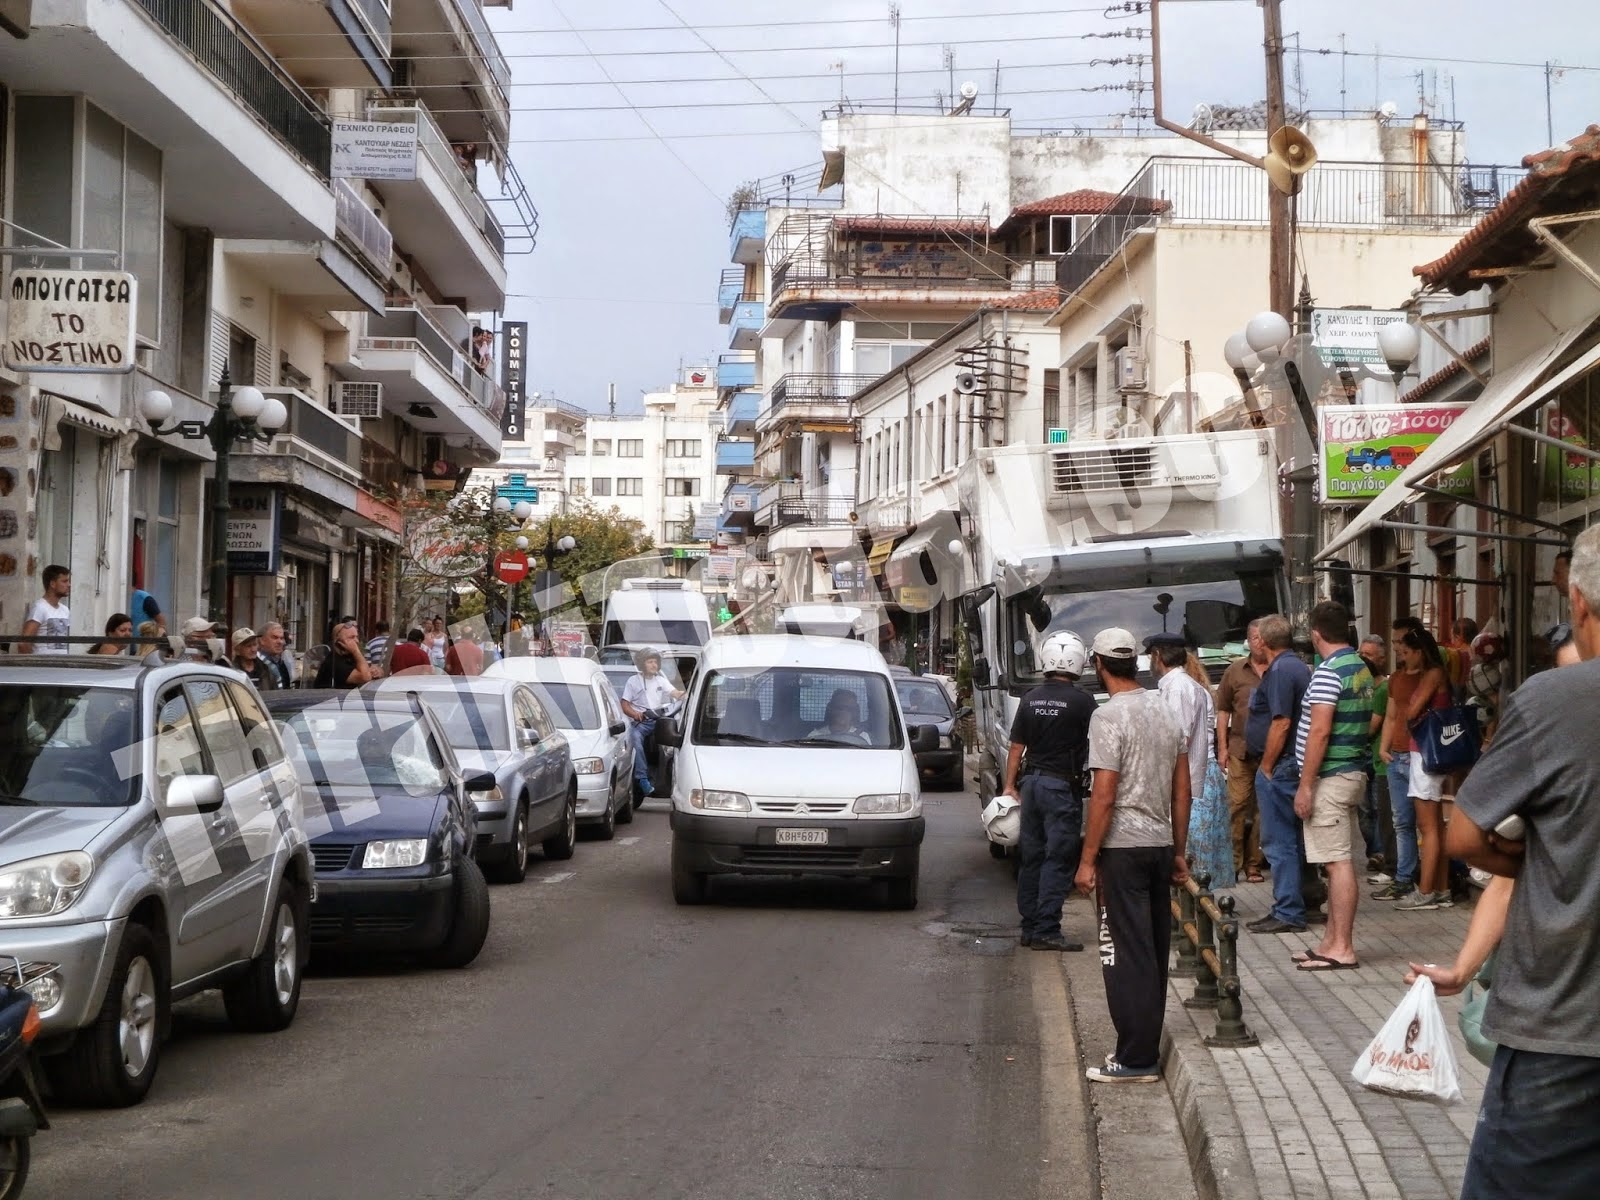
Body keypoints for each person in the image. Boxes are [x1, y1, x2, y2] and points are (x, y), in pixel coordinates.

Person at [1440, 523, 1600, 1198]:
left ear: (1579, 604)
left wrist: (1536, 859)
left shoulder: (1556, 700)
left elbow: (1465, 836)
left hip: (1567, 1027)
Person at [1075, 627, 1188, 1084]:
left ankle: (1135, 1057)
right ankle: (1143, 1047)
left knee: (1123, 953)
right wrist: (1179, 851)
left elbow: (1103, 794)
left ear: (1098, 664)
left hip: (1122, 849)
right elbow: (1183, 791)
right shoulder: (1165, 709)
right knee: (1154, 950)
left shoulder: (1107, 717)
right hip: (1159, 845)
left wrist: (1087, 859)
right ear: (1136, 663)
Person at [1287, 601, 1373, 971]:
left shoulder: (1328, 672)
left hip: (1331, 777)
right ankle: (1329, 942)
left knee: (1338, 864)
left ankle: (1342, 947)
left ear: (1316, 634)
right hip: (1352, 771)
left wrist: (1305, 786)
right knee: (1337, 860)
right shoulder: (1360, 667)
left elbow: (1319, 731)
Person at [1003, 630, 1095, 953]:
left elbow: (1016, 748)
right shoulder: (1083, 702)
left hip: (1031, 786)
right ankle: (1047, 929)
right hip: (1060, 788)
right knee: (1058, 858)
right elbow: (1096, 746)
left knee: (1031, 857)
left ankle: (1029, 927)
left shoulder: (1030, 699)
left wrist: (1009, 785)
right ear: (1077, 662)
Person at [1244, 614, 1312, 934]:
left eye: (1255, 637)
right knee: (1293, 839)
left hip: (1281, 765)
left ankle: (1288, 910)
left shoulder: (1283, 670)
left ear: (1265, 641)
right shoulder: (1293, 665)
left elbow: (1281, 722)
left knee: (1279, 841)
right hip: (1288, 764)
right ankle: (1299, 902)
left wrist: (1267, 767)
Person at [1149, 634, 1231, 889]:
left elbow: (1176, 739)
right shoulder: (1179, 686)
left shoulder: (1178, 688)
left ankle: (1197, 917)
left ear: (1157, 657)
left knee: (1193, 854)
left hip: (1192, 780)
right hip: (1195, 777)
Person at [1384, 624, 1453, 911]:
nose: (1404, 657)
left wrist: (1412, 705)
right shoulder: (1436, 674)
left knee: (1428, 826)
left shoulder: (1432, 674)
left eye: (1408, 652)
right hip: (1425, 752)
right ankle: (1442, 888)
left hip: (1423, 752)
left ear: (1420, 652)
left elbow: (1412, 711)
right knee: (1435, 824)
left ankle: (1425, 892)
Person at [1216, 620, 1268, 883]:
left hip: (1271, 752)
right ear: (1249, 640)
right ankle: (1232, 864)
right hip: (1240, 750)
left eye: (1264, 637)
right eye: (1255, 638)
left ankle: (1254, 864)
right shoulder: (1235, 671)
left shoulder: (1277, 669)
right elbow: (1223, 710)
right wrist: (1222, 748)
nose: (1260, 642)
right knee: (1235, 807)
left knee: (1263, 812)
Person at [621, 648, 682, 798]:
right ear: (642, 664)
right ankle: (642, 778)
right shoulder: (633, 681)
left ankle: (674, 781)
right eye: (650, 662)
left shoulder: (661, 680)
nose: (654, 665)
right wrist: (635, 714)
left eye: (655, 662)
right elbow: (624, 704)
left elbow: (675, 693)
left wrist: (689, 692)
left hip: (657, 722)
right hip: (640, 724)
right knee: (635, 741)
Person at [1358, 635, 1394, 875]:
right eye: (1362, 653)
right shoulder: (1358, 684)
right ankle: (1374, 851)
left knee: (1379, 808)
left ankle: (1382, 854)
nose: (1363, 659)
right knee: (1364, 810)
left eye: (1369, 655)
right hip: (1361, 756)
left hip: (1377, 757)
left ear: (1382, 659)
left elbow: (1373, 726)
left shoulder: (1385, 687)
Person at [20, 564, 71, 654]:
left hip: (62, 665)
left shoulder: (65, 610)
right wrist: (32, 664)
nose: (69, 585)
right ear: (52, 584)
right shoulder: (39, 608)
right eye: (64, 581)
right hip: (43, 665)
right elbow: (24, 643)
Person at [315, 621, 373, 688]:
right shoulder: (334, 662)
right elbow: (365, 677)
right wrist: (356, 651)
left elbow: (366, 671)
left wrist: (377, 671)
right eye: (351, 637)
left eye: (356, 637)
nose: (357, 641)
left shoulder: (348, 658)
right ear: (338, 642)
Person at [259, 622, 295, 688]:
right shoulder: (256, 664)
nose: (280, 642)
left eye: (281, 638)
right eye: (274, 638)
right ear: (262, 640)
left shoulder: (280, 662)